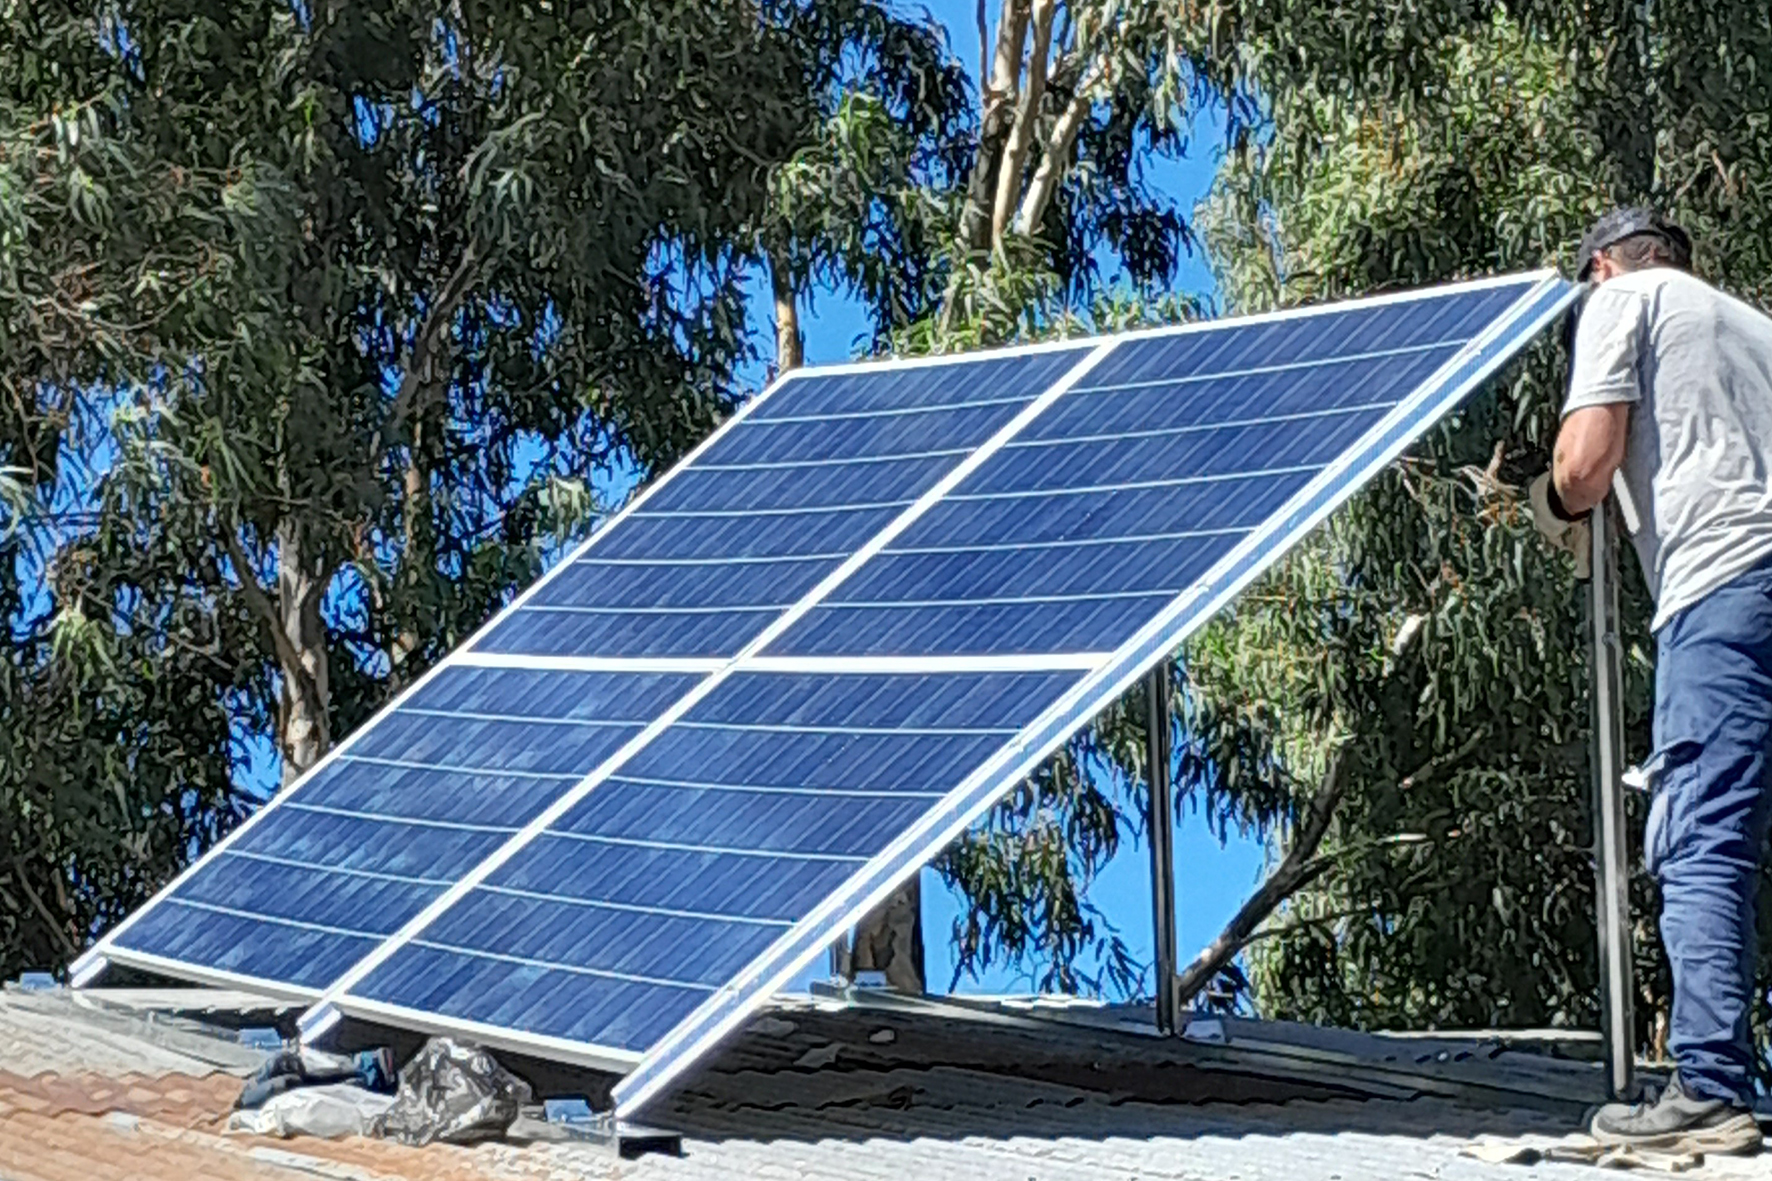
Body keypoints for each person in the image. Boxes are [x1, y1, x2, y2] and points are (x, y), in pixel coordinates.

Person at [1530, 207, 1772, 1155]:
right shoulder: (1753, 326)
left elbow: (1587, 463)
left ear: (1602, 266)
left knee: (1702, 829)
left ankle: (1710, 1083)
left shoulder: (1618, 303)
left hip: (1722, 587)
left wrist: (1550, 501)